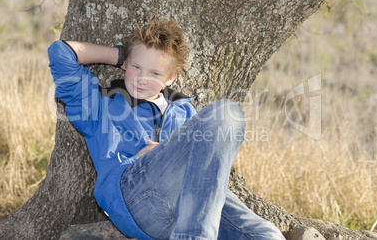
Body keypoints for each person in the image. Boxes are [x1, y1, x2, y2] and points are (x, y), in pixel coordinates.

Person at [48, 19, 285, 240]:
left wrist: (164, 150)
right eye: (136, 67)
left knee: (268, 235)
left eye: (154, 73)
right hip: (135, 195)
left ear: (171, 78)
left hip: (189, 206)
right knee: (223, 111)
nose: (142, 79)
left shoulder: (185, 112)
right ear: (125, 66)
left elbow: (205, 171)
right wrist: (121, 55)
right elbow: (61, 53)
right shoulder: (101, 107)